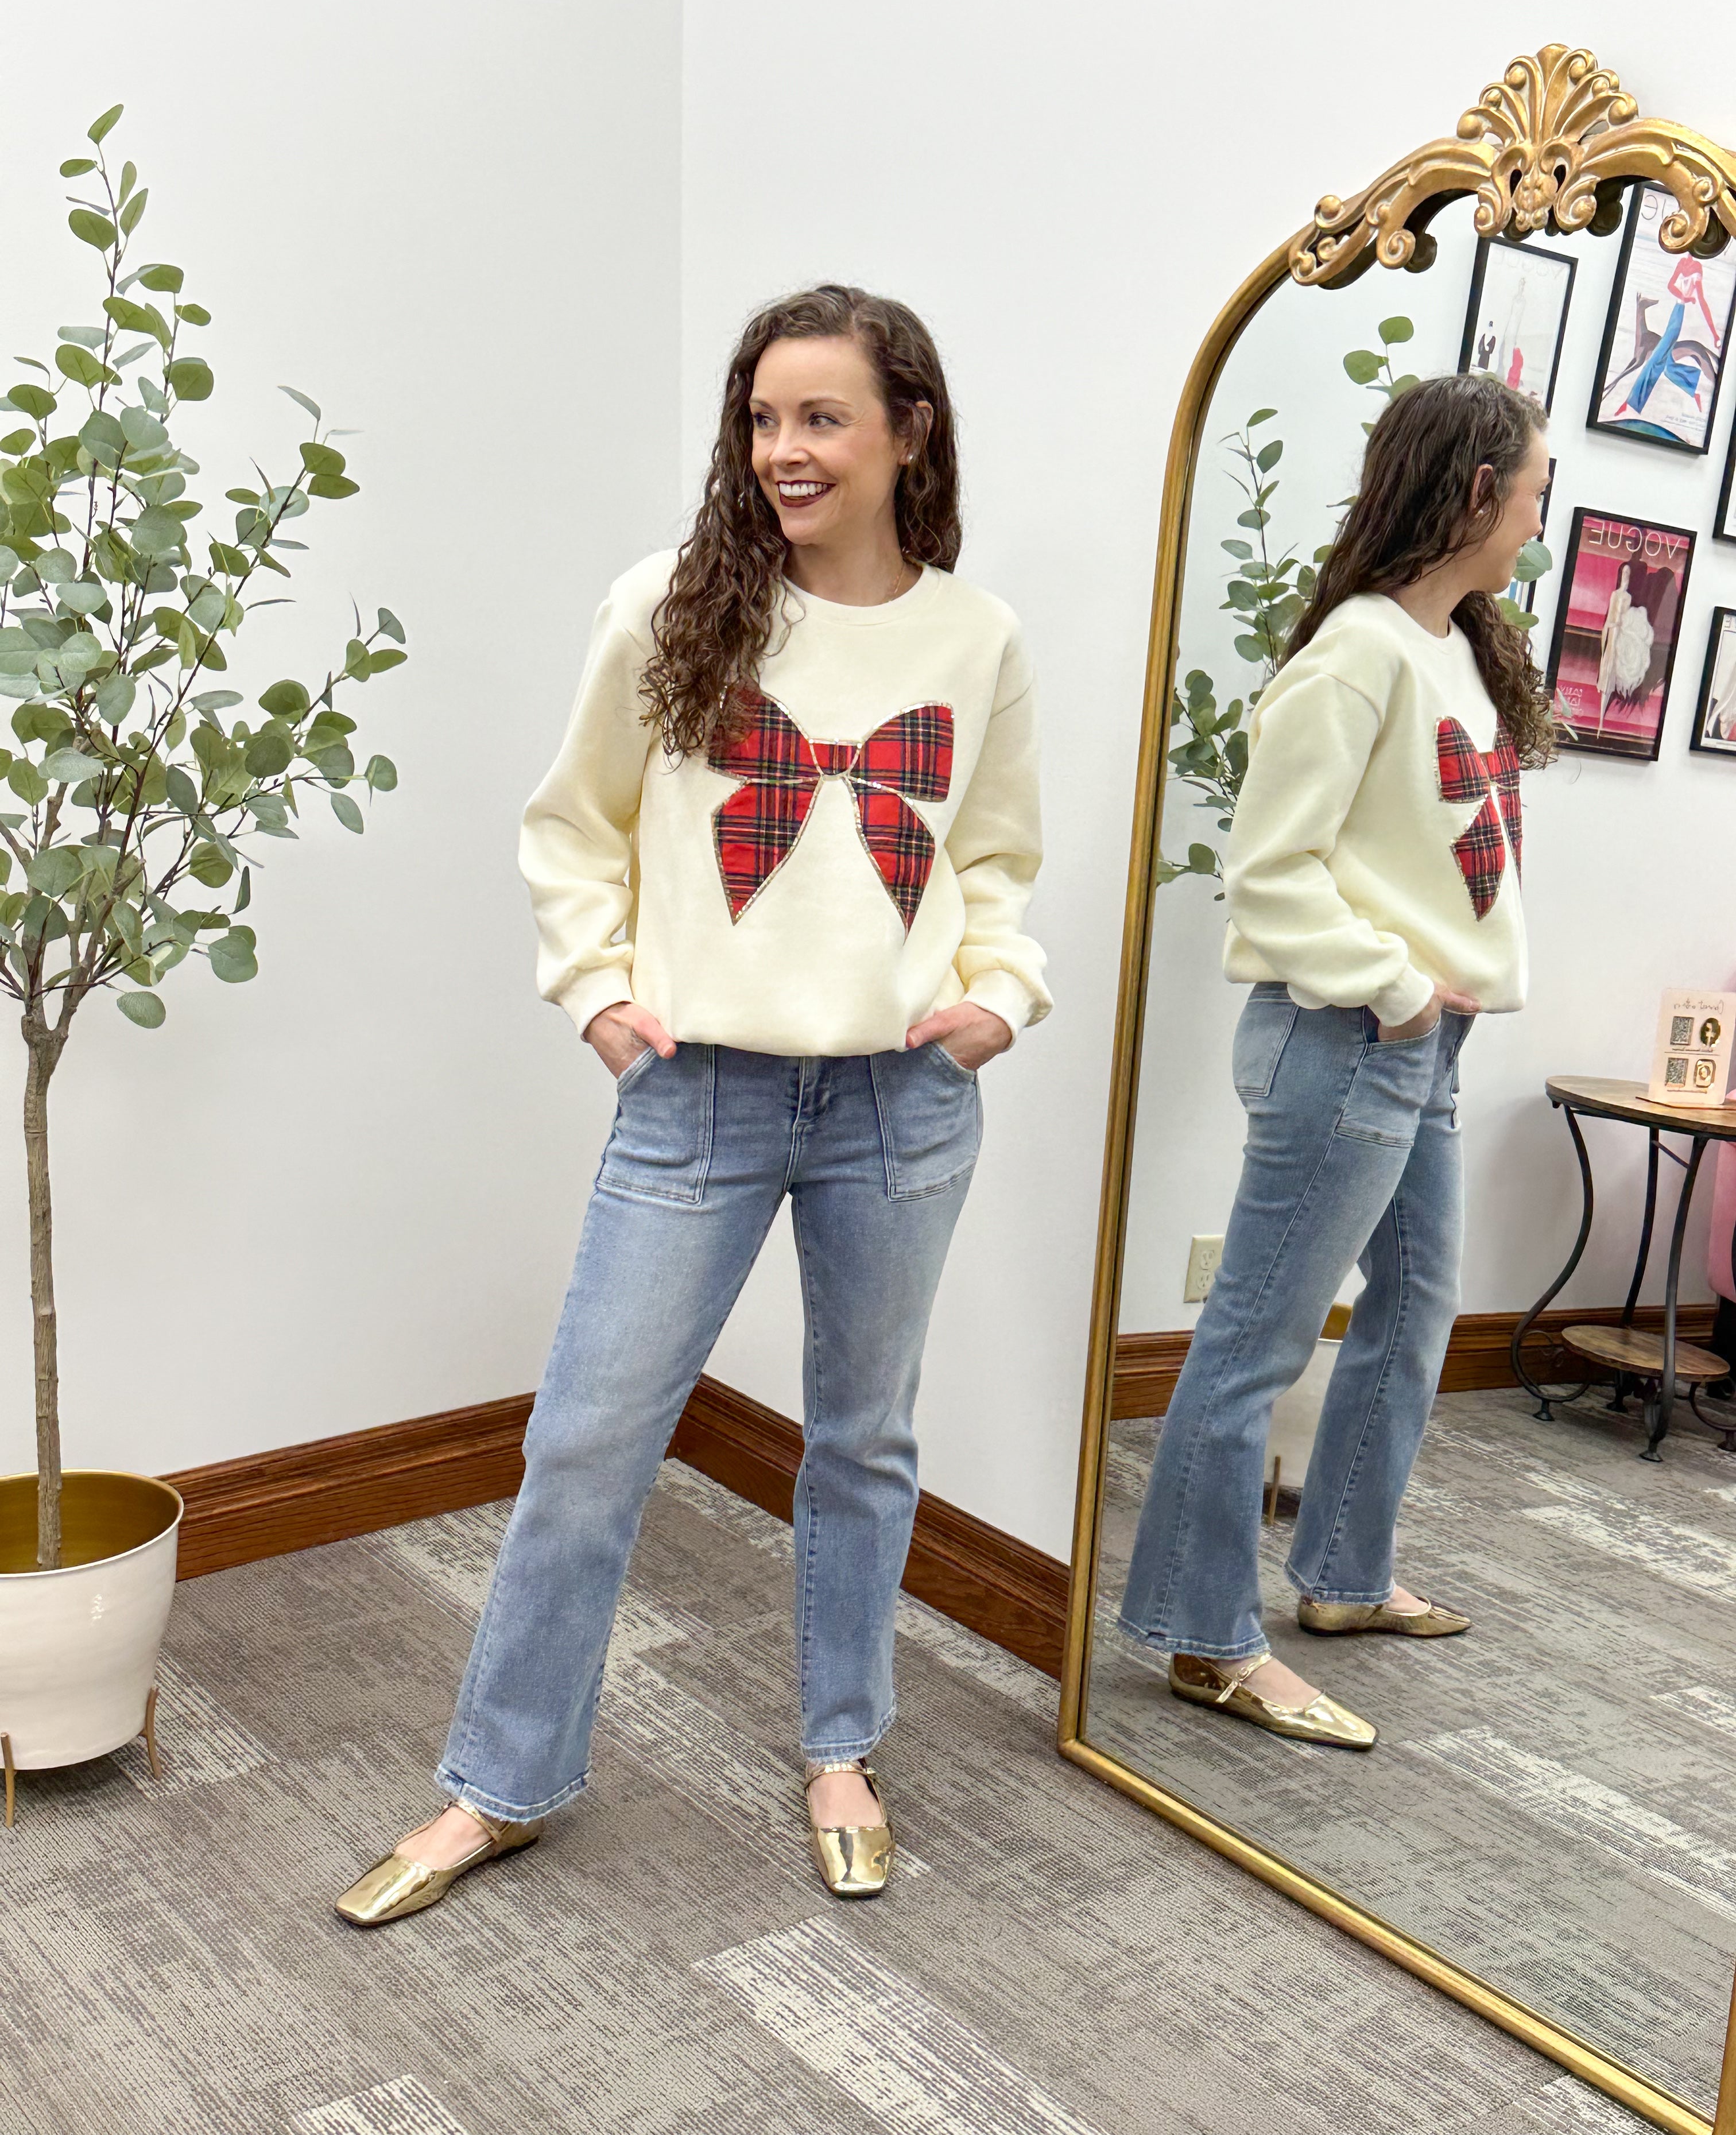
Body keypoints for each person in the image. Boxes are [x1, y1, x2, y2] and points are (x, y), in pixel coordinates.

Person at [335, 285, 1048, 1923]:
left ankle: (843, 1747)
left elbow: (998, 858)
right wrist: (596, 994)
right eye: (762, 418)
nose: (782, 450)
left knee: (864, 1442)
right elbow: (569, 823)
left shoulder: (978, 637)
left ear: (907, 432)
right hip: (698, 1096)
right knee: (588, 1438)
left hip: (901, 1104)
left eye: (821, 418)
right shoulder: (669, 606)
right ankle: (496, 1783)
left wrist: (997, 996)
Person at [1118, 374, 1553, 1748]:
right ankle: (1204, 1638)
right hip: (1355, 1039)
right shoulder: (1359, 653)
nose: (1541, 514)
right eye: (1534, 488)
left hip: (1423, 1042)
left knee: (1418, 1309)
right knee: (1254, 1340)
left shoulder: (1457, 654)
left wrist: (1441, 1005)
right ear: (1476, 494)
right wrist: (1399, 992)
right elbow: (1268, 873)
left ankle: (1345, 1580)